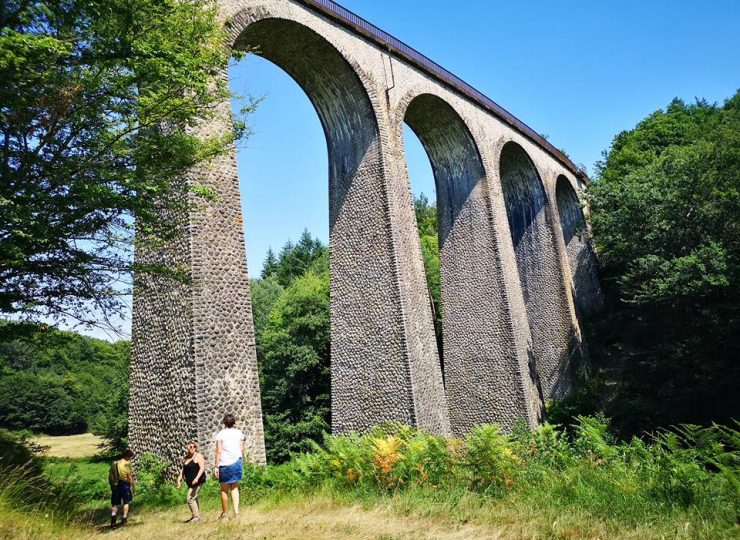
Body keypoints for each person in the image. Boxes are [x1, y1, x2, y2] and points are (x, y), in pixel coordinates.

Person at [214, 413, 245, 520]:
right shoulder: (239, 433)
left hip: (225, 464)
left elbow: (218, 451)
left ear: (224, 423)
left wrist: (216, 466)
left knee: (224, 490)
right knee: (234, 487)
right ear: (234, 422)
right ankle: (237, 513)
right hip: (237, 462)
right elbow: (241, 449)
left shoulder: (220, 435)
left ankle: (225, 515)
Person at [176, 441, 206, 523]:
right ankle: (195, 516)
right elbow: (183, 471)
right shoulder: (186, 458)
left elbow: (202, 468)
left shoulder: (198, 456)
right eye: (190, 447)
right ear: (187, 448)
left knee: (190, 498)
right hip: (190, 483)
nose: (192, 448)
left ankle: (196, 517)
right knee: (194, 498)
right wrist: (179, 480)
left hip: (198, 481)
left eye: (194, 446)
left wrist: (196, 478)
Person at [108, 449, 136, 528]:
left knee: (115, 503)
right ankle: (124, 519)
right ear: (128, 456)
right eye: (130, 457)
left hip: (116, 485)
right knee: (126, 502)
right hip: (125, 485)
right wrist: (133, 487)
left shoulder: (115, 463)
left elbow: (111, 475)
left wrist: (112, 485)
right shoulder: (127, 464)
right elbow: (129, 477)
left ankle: (113, 521)